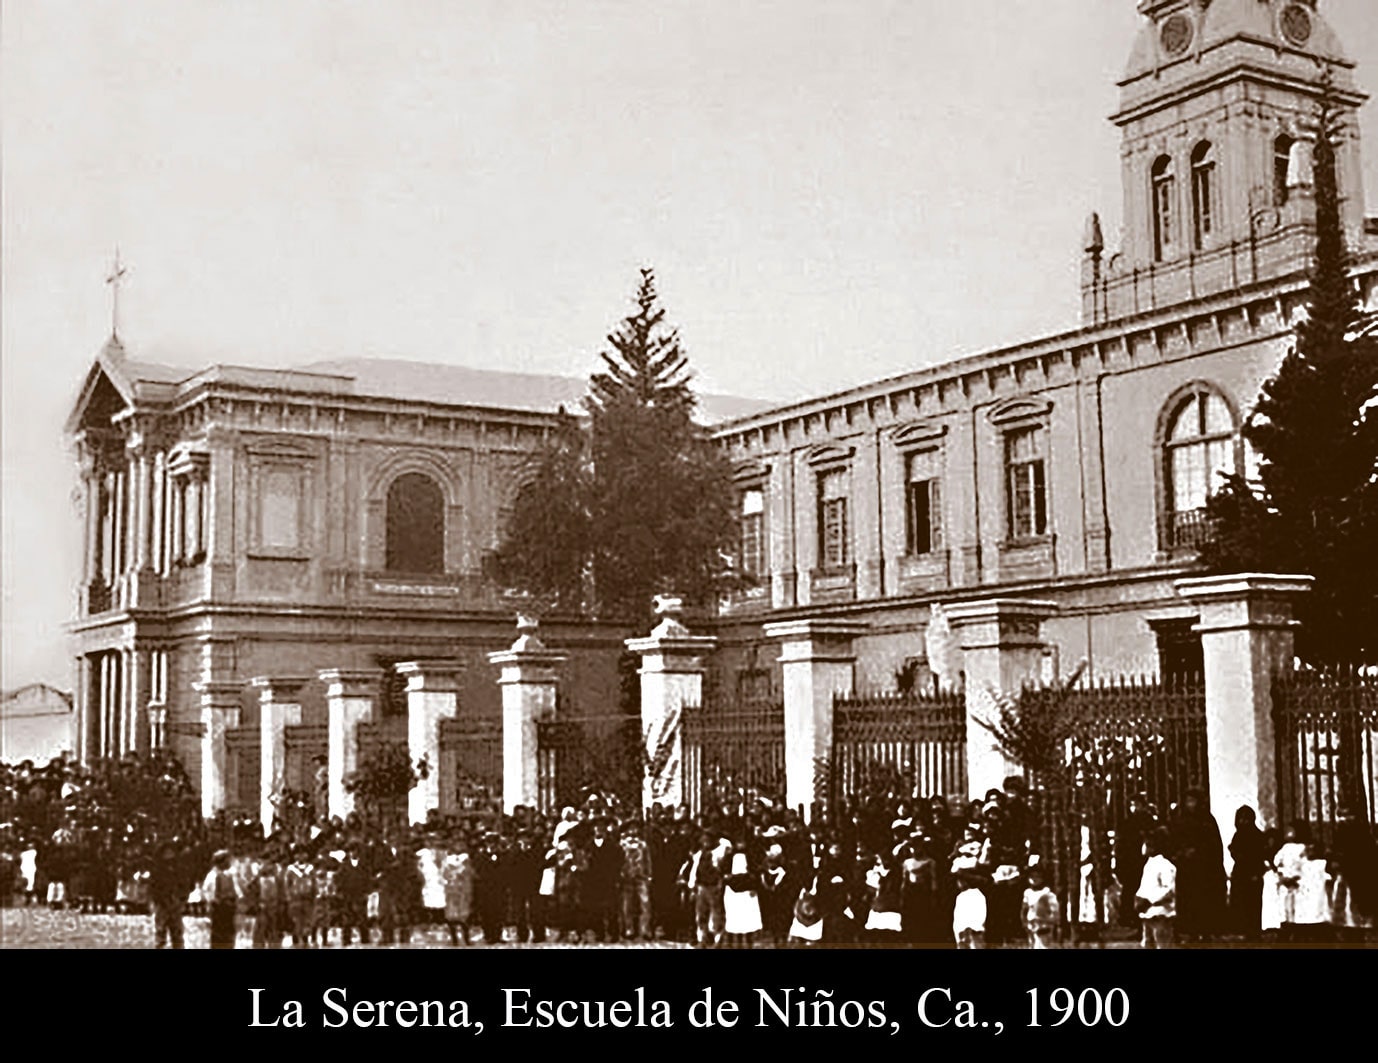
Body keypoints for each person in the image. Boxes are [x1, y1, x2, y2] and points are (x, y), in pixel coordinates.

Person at [1168, 788, 1226, 943]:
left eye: (1193, 801)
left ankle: (1205, 932)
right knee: (1188, 902)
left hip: (1204, 870)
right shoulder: (1180, 820)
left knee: (1204, 901)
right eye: (1188, 801)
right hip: (1186, 869)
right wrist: (1180, 853)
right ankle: (1191, 932)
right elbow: (1172, 841)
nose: (1190, 804)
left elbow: (1213, 845)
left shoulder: (1207, 821)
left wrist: (1199, 852)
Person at [1226, 806, 1268, 941]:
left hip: (1252, 872)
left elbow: (1260, 854)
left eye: (1246, 818)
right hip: (1241, 872)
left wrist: (1256, 871)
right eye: (1241, 818)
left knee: (1252, 903)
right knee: (1241, 901)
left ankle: (1253, 930)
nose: (1243, 822)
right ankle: (1241, 928)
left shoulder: (1257, 835)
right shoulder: (1239, 834)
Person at [1135, 830, 1176, 949]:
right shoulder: (1149, 864)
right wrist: (1139, 899)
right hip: (1148, 914)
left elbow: (1168, 889)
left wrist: (1150, 901)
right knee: (1148, 943)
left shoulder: (1165, 866)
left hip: (1161, 914)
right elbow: (1146, 887)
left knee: (1162, 945)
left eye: (1147, 844)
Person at [723, 851, 763, 948]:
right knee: (747, 934)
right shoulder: (751, 880)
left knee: (736, 934)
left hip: (735, 915)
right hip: (746, 916)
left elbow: (726, 898)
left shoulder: (729, 881)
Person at [204, 850, 240, 950]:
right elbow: (209, 894)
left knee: (229, 935)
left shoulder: (230, 875)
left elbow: (236, 892)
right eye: (227, 860)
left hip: (229, 909)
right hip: (219, 909)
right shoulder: (213, 876)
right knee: (219, 936)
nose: (229, 862)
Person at [1022, 865, 1060, 949]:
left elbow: (1055, 913)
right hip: (1031, 926)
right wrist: (1025, 922)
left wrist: (1047, 922)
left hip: (1043, 926)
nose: (1034, 879)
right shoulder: (1028, 893)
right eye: (1032, 876)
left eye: (1037, 876)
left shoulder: (1047, 893)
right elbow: (1024, 909)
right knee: (1032, 945)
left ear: (1042, 878)